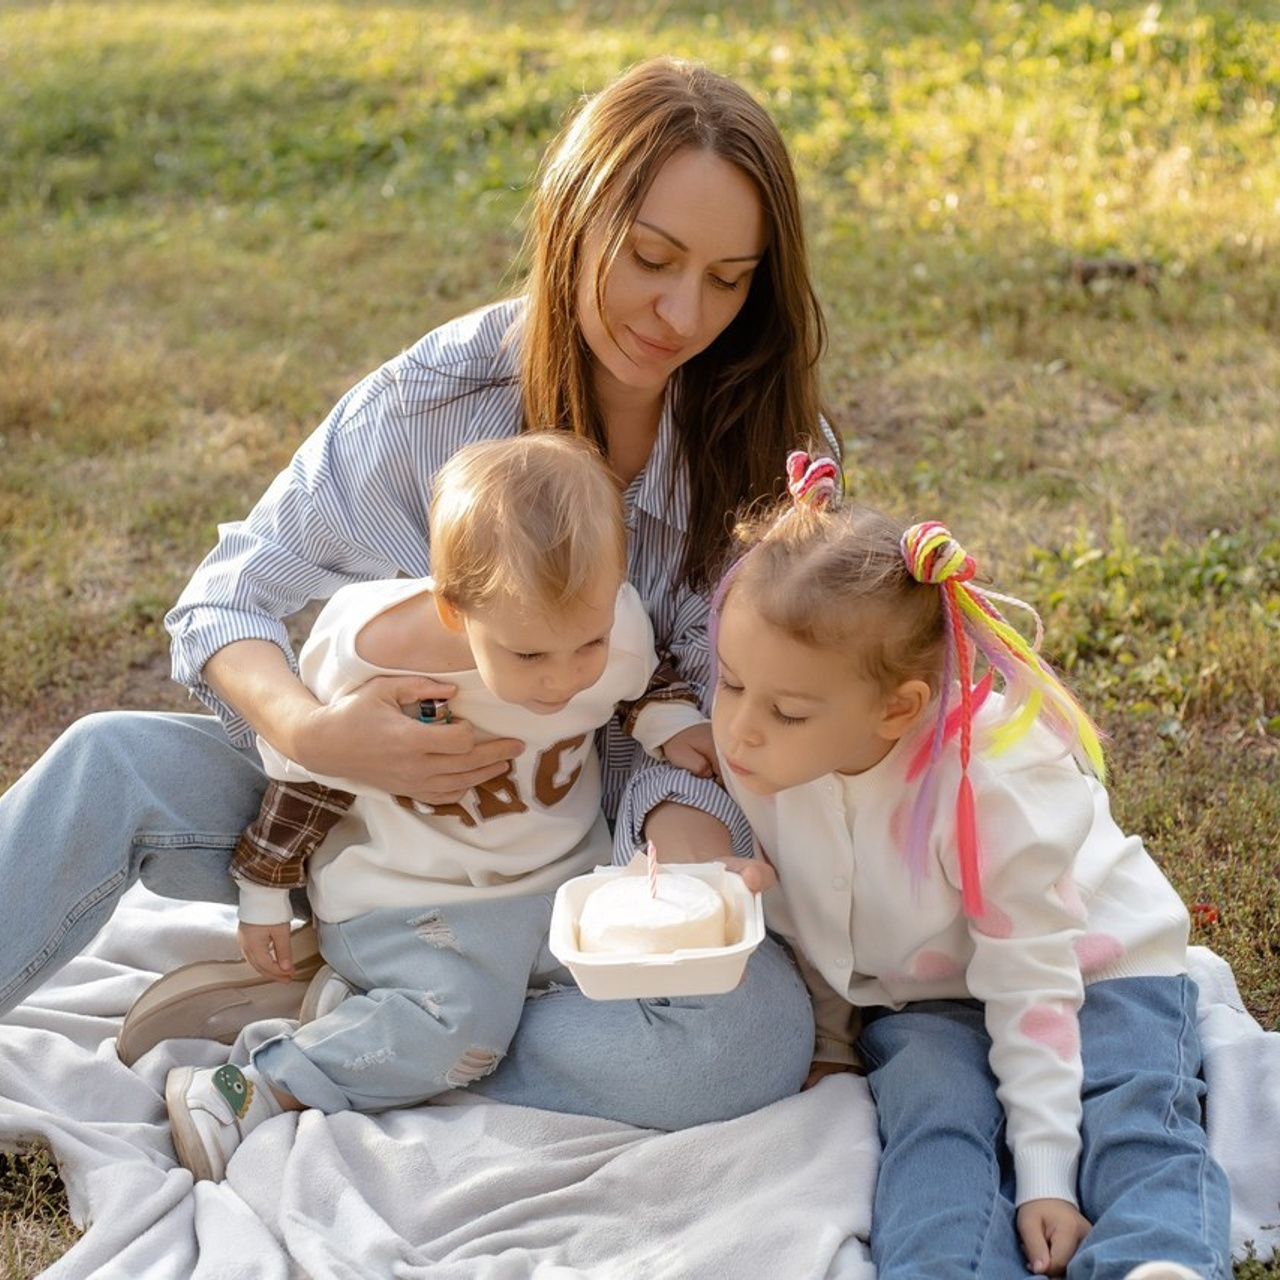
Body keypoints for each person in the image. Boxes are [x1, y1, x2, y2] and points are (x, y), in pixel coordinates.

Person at [0, 56, 823, 1130]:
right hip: (354, 824)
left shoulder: (770, 458)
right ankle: (396, 1013)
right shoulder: (435, 399)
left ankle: (361, 1031)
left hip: (571, 859)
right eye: (652, 258)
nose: (679, 312)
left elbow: (725, 709)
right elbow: (226, 601)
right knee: (105, 762)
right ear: (572, 220)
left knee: (743, 1041)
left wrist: (688, 824)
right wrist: (317, 730)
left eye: (726, 278)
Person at [700, 453, 1231, 1280]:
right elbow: (821, 914)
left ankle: (1157, 1255)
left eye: (785, 710)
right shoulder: (771, 756)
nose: (739, 731)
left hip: (1089, 964)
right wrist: (836, 1042)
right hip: (929, 992)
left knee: (1132, 1109)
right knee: (933, 1130)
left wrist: (1047, 1178)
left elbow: (1034, 984)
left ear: (898, 709)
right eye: (730, 684)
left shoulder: (990, 790)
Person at [165, 432, 719, 1181]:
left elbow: (637, 679)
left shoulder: (605, 626)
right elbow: (310, 774)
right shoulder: (380, 656)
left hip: (559, 888)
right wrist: (265, 888)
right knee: (465, 1024)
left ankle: (375, 1011)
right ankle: (258, 1085)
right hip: (411, 897)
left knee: (653, 973)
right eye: (528, 657)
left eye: (585, 645)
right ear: (456, 610)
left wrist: (668, 723)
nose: (562, 681)